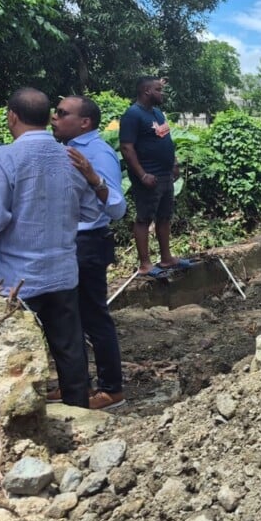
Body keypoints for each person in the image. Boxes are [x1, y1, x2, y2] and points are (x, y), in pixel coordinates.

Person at [0, 88, 94, 409]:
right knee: (69, 348)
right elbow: (89, 211)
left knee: (15, 351)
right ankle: (79, 411)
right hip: (63, 274)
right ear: (48, 118)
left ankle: (19, 416)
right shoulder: (70, 158)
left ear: (11, 116)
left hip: (18, 281)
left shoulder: (5, 157)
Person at [51, 95, 128, 410]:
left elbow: (118, 208)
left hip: (89, 243)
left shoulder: (97, 153)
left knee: (94, 317)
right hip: (68, 242)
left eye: (62, 113)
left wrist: (93, 177)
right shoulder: (64, 149)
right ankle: (75, 384)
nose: (54, 118)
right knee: (71, 316)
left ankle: (112, 389)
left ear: (84, 122)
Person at [119, 76, 191, 277]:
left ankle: (166, 258)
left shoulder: (157, 114)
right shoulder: (133, 115)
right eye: (159, 89)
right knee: (144, 218)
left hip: (165, 175)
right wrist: (142, 175)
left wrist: (174, 163)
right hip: (148, 176)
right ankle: (145, 264)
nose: (163, 93)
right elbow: (126, 147)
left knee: (165, 216)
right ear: (147, 91)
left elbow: (166, 139)